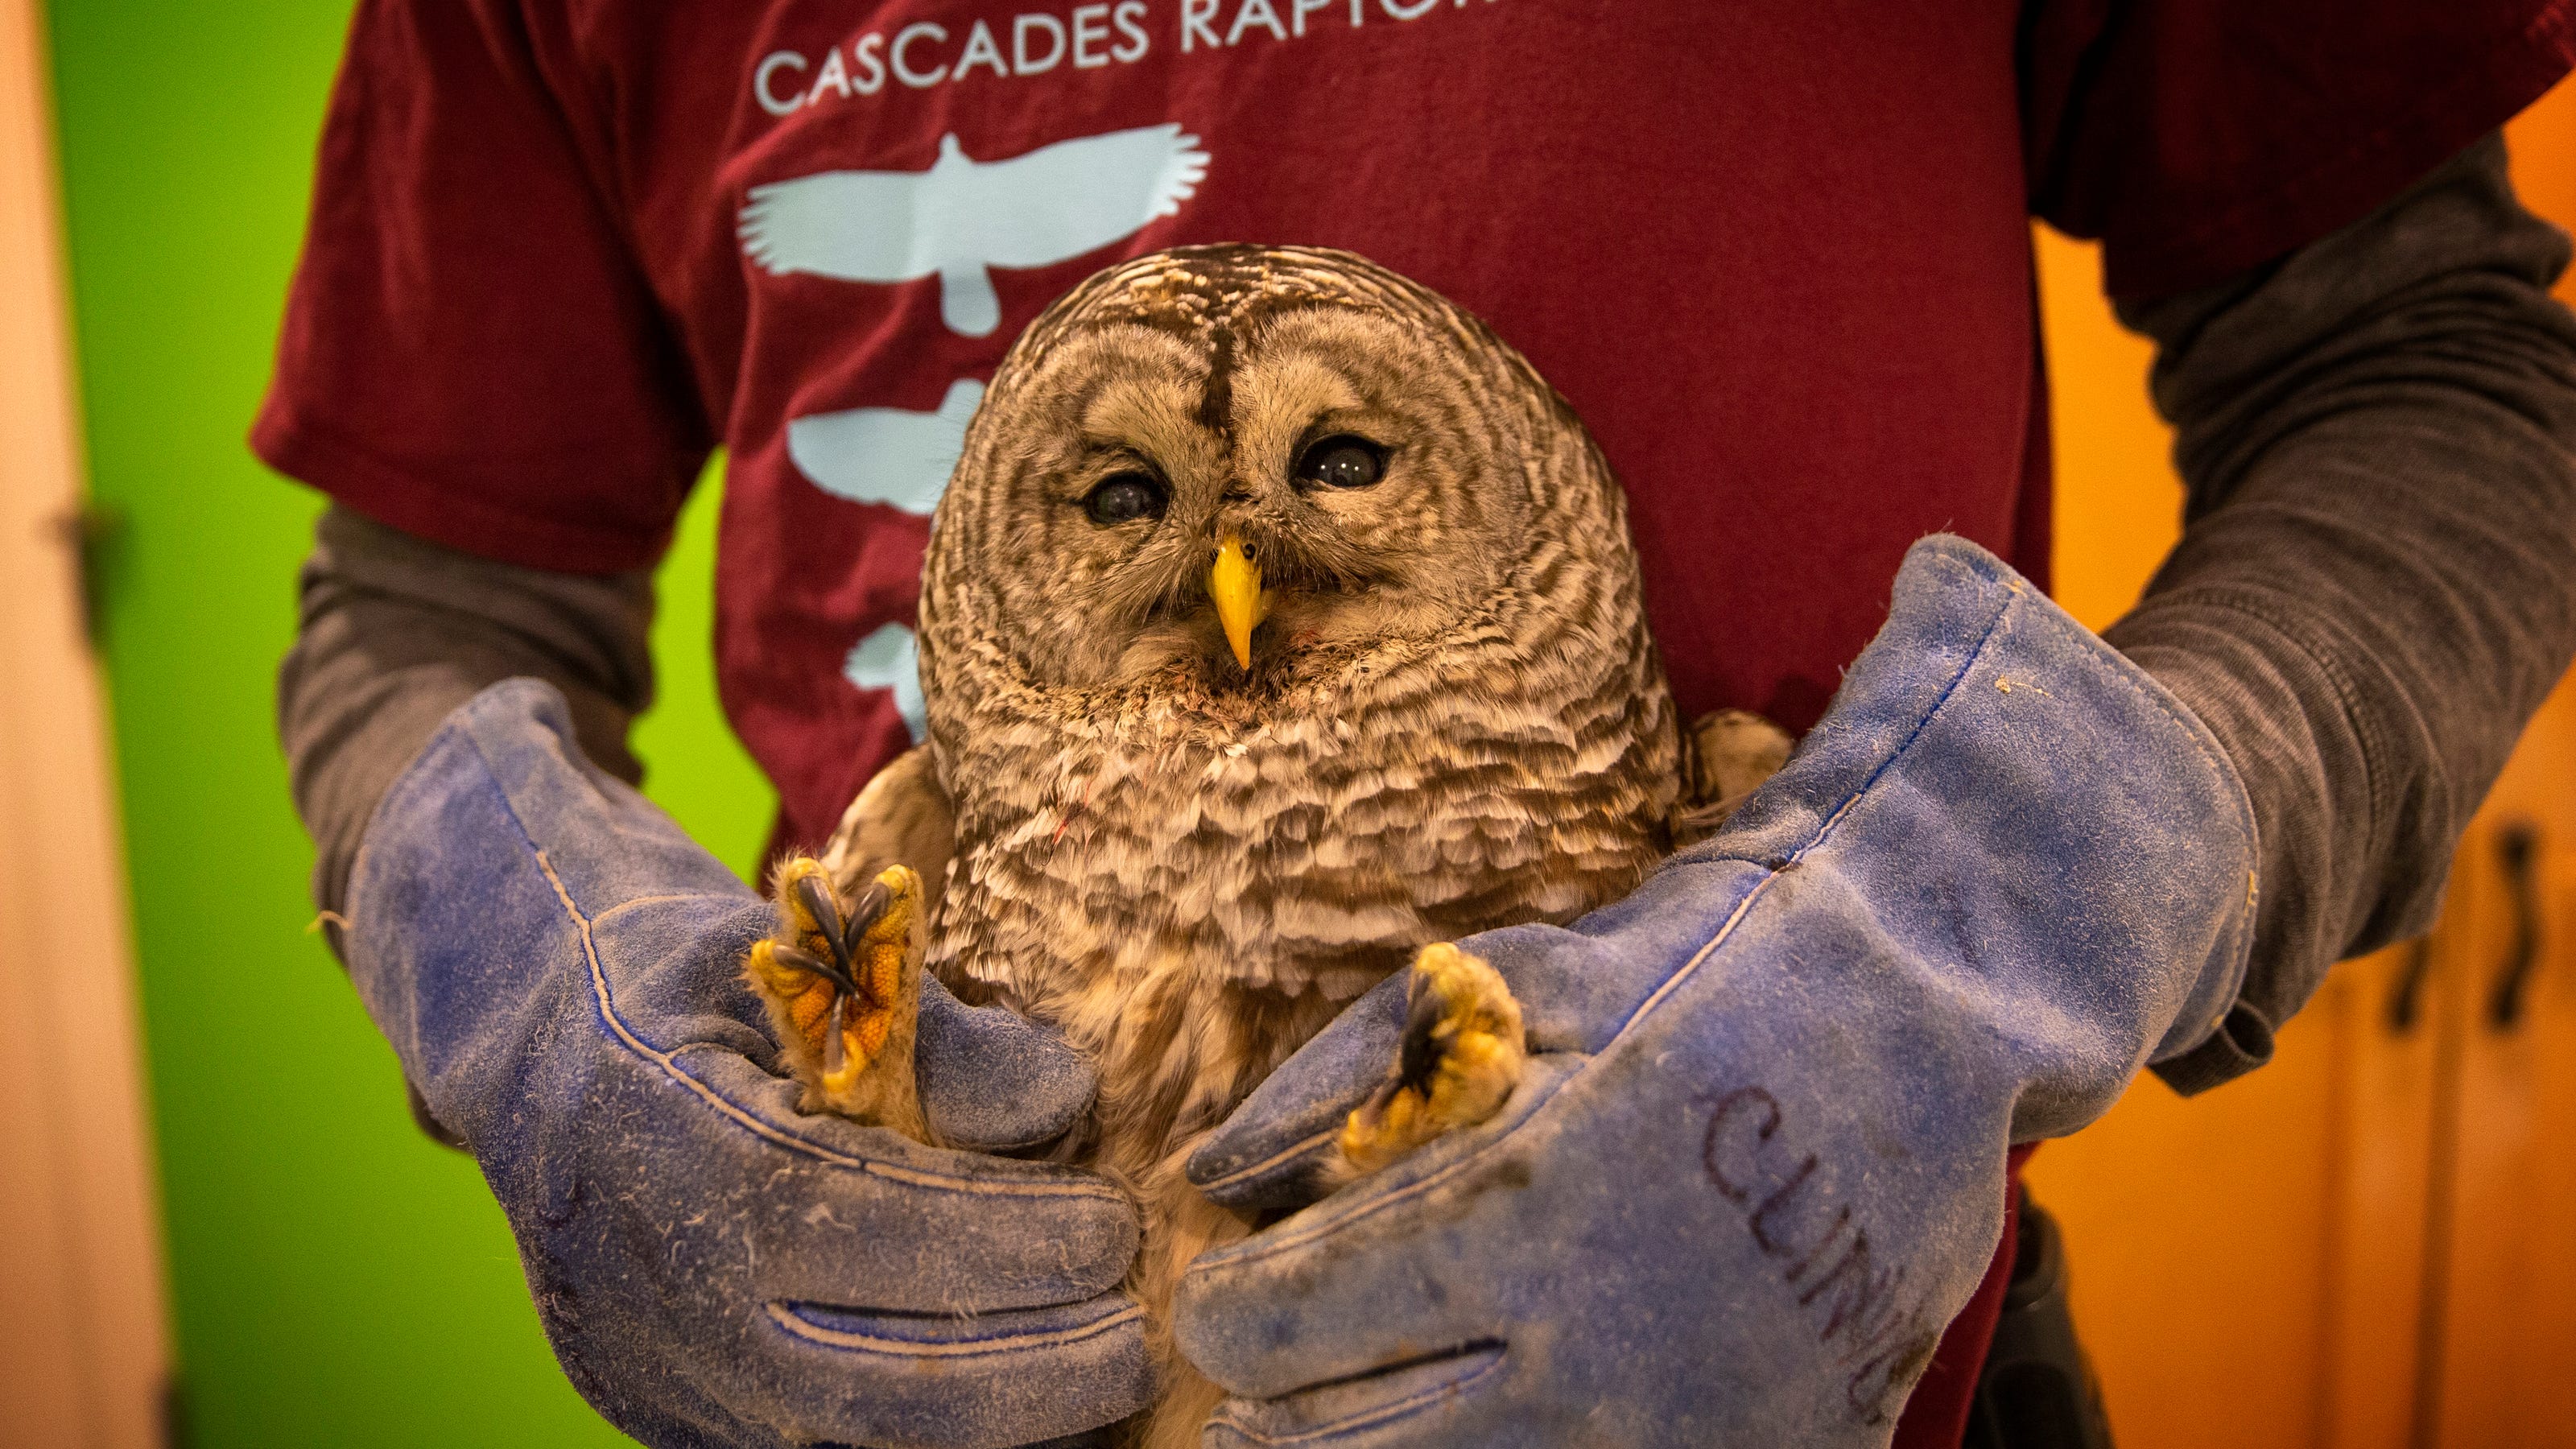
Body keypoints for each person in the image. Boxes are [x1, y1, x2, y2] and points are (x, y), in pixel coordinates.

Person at [262, 3, 2576, 1445]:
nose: (1246, 569)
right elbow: (425, 600)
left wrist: (2005, 924)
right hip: (945, 1346)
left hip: (1834, 1358)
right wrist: (550, 1013)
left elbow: (2429, 371)